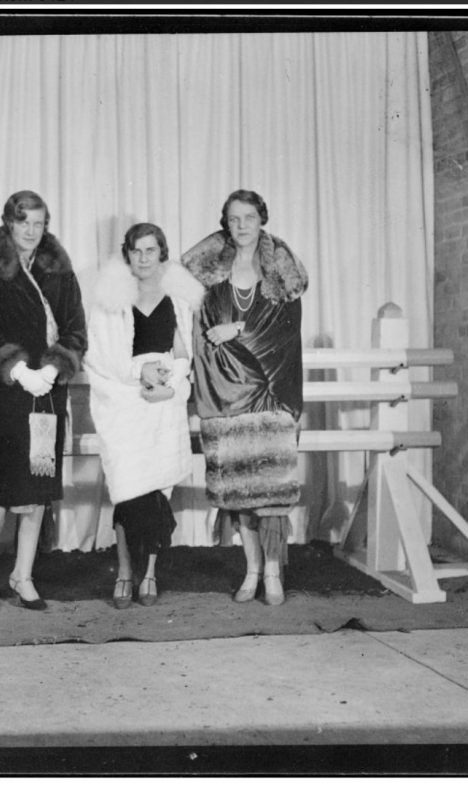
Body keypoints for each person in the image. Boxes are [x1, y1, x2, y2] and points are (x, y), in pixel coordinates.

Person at [182, 189, 308, 605]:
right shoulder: (211, 274)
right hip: (226, 393)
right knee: (240, 491)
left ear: (261, 220)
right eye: (234, 218)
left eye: (249, 217)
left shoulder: (279, 270)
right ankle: (251, 568)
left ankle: (273, 572)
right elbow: (201, 332)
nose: (241, 226)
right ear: (226, 223)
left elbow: (287, 334)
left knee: (270, 492)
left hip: (270, 392)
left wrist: (239, 330)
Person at [0, 190, 87, 612]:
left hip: (49, 390)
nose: (31, 232)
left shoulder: (60, 269)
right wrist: (19, 371)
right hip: (7, 389)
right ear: (8, 223)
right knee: (5, 481)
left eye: (38, 223)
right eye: (23, 223)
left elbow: (75, 330)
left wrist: (52, 369)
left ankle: (23, 574)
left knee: (39, 481)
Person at [84, 223, 205, 608]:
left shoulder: (177, 296)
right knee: (127, 486)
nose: (143, 259)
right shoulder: (111, 298)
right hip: (125, 401)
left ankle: (149, 573)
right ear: (127, 254)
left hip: (162, 402)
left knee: (155, 490)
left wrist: (173, 382)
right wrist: (139, 374)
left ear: (162, 253)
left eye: (151, 251)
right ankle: (123, 572)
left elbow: (184, 353)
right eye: (136, 251)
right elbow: (99, 355)